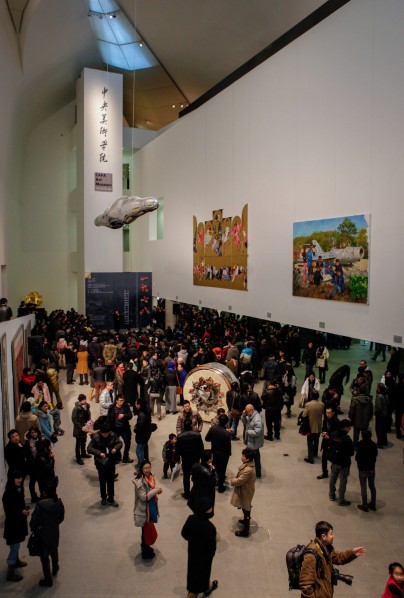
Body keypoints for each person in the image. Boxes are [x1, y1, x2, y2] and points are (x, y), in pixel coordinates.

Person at [299, 520, 366, 597]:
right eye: (331, 533)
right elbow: (306, 585)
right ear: (323, 536)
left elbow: (337, 557)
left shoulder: (326, 548)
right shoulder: (311, 556)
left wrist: (352, 553)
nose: (333, 536)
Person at [30, 479, 65, 587]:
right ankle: (55, 567)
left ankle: (48, 579)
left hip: (43, 534)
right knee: (54, 549)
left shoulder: (40, 506)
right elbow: (61, 517)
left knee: (44, 556)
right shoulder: (59, 502)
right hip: (54, 531)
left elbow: (33, 522)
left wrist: (35, 528)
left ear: (44, 492)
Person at [181, 497, 218, 598]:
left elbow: (184, 534)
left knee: (193, 574)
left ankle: (205, 586)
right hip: (204, 559)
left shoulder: (191, 519)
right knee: (201, 579)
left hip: (193, 554)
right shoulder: (210, 527)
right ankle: (205, 588)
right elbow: (211, 549)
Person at [2, 470, 29, 582]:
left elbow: (19, 504)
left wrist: (24, 509)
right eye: (17, 478)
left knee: (17, 544)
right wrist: (21, 512)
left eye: (20, 477)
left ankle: (16, 561)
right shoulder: (8, 493)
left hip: (18, 523)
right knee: (14, 547)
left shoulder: (18, 489)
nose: (19, 480)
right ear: (11, 479)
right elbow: (9, 511)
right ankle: (10, 572)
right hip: (13, 525)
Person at [133, 459, 163, 560]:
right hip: (144, 510)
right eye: (145, 468)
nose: (147, 470)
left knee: (147, 530)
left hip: (151, 507)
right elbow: (143, 497)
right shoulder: (139, 482)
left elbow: (150, 490)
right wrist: (155, 491)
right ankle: (145, 551)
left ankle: (146, 547)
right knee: (145, 531)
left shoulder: (150, 477)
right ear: (141, 469)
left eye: (149, 467)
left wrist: (156, 491)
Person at [87, 423, 122, 507]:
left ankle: (111, 498)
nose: (106, 435)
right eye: (104, 434)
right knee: (102, 481)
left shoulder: (113, 435)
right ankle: (103, 497)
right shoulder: (96, 437)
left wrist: (115, 448)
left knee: (111, 482)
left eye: (107, 433)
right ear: (101, 432)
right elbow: (89, 448)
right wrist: (99, 453)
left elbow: (119, 443)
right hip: (101, 463)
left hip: (111, 462)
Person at [230, 447, 256, 538]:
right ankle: (245, 520)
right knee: (245, 507)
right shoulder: (248, 465)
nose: (242, 457)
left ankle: (245, 531)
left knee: (246, 508)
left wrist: (232, 480)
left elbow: (239, 481)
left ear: (248, 458)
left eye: (243, 456)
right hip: (246, 490)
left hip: (246, 491)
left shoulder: (248, 470)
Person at [328, 419, 354, 506]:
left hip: (335, 461)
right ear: (345, 428)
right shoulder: (347, 439)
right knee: (343, 481)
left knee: (333, 477)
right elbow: (351, 453)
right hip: (344, 463)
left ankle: (331, 494)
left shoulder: (334, 434)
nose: (350, 429)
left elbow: (331, 445)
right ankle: (341, 499)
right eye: (349, 427)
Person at [177, 418, 204, 499]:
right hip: (196, 458)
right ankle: (197, 492)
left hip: (186, 459)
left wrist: (178, 459)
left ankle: (187, 494)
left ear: (184, 426)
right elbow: (201, 448)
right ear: (192, 425)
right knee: (196, 475)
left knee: (186, 476)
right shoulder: (197, 435)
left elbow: (178, 450)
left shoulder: (180, 436)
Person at [205, 413, 232, 493]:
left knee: (213, 468)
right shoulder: (226, 433)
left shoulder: (213, 428)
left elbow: (207, 439)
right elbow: (228, 446)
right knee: (222, 471)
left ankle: (212, 484)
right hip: (223, 455)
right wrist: (229, 453)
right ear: (226, 422)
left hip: (214, 452)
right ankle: (220, 487)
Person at [355, 429, 378, 512]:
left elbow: (357, 458)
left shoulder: (360, 445)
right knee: (372, 486)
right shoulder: (374, 445)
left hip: (362, 469)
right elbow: (376, 455)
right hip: (371, 469)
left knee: (363, 487)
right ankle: (373, 503)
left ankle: (364, 505)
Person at [108, 394, 134, 463]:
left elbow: (130, 416)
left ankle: (125, 457)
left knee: (127, 443)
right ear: (116, 401)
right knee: (116, 444)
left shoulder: (126, 406)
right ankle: (118, 457)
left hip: (124, 428)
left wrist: (124, 415)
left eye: (123, 400)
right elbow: (109, 419)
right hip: (115, 429)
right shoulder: (111, 408)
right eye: (120, 400)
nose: (122, 402)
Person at [241, 403, 264, 478]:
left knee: (248, 458)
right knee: (256, 458)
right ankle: (257, 473)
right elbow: (245, 423)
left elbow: (258, 432)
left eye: (247, 412)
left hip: (253, 443)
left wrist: (248, 432)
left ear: (251, 410)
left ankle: (249, 474)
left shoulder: (257, 419)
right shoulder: (250, 415)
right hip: (252, 442)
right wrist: (243, 416)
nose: (246, 413)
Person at [317, 404, 339, 479]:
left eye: (329, 413)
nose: (327, 414)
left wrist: (329, 437)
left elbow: (337, 435)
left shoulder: (336, 422)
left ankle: (334, 473)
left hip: (333, 443)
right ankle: (324, 472)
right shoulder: (325, 419)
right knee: (324, 458)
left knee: (333, 459)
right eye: (326, 413)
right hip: (326, 442)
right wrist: (323, 432)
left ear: (333, 413)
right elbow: (323, 427)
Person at [302, 391, 324, 464]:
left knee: (310, 442)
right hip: (318, 425)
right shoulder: (321, 404)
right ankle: (315, 453)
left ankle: (310, 458)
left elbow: (304, 415)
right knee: (317, 440)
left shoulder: (308, 404)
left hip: (310, 426)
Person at [71, 393, 92, 465]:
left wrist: (88, 423)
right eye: (83, 400)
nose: (85, 401)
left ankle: (83, 453)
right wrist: (81, 427)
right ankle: (78, 457)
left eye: (85, 399)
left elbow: (88, 415)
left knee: (84, 441)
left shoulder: (87, 406)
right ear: (80, 400)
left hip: (85, 427)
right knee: (78, 444)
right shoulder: (76, 409)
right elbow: (74, 419)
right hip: (79, 429)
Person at [23, 426, 42, 503]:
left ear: (37, 432)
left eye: (35, 432)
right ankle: (33, 497)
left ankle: (42, 496)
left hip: (40, 465)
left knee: (41, 482)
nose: (33, 434)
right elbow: (26, 454)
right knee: (32, 482)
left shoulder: (41, 440)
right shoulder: (28, 442)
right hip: (32, 465)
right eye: (32, 432)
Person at [134, 397, 153, 466]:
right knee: (144, 448)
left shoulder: (142, 415)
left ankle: (142, 466)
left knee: (139, 451)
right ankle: (145, 462)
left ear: (139, 405)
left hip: (142, 435)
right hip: (147, 433)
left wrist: (135, 429)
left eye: (136, 403)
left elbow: (139, 427)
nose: (135, 404)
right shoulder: (146, 410)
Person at [375, 383, 389, 447]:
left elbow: (378, 407)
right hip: (385, 414)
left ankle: (380, 443)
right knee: (383, 429)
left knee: (378, 429)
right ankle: (384, 441)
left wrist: (375, 413)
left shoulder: (379, 396)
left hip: (380, 415)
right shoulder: (386, 395)